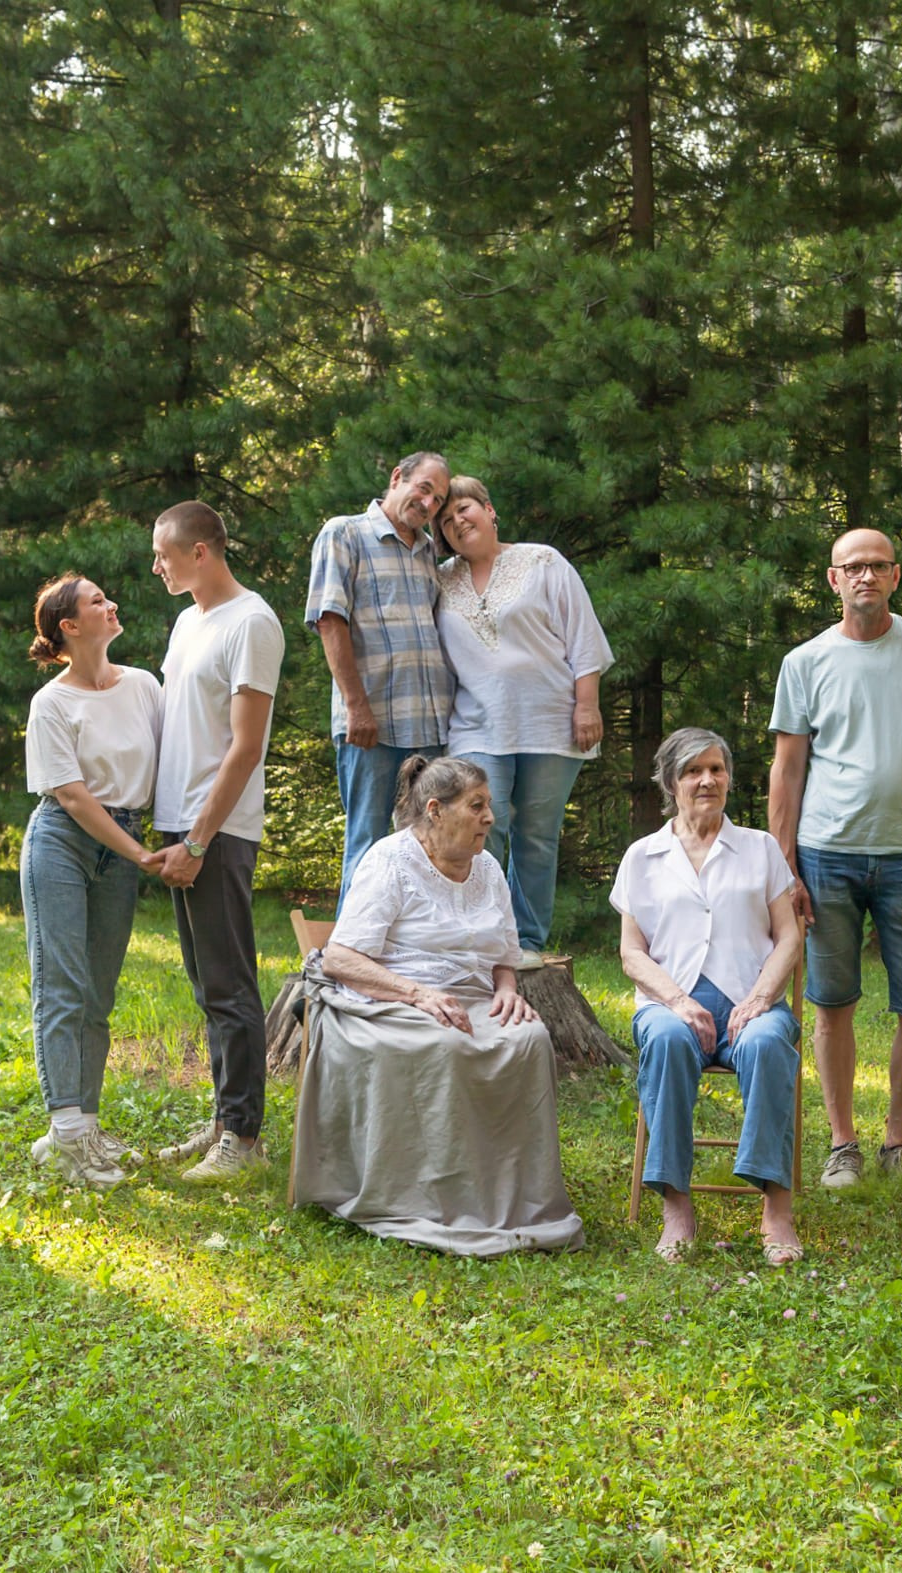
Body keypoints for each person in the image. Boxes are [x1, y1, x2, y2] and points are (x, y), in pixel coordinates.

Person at [295, 755, 585, 1255]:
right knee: (445, 1043)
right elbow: (341, 956)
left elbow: (502, 954)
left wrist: (508, 991)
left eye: (488, 805)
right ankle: (426, 1201)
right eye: (477, 806)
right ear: (435, 810)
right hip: (387, 995)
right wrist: (418, 995)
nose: (490, 818)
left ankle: (509, 1202)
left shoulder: (488, 867)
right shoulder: (390, 861)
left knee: (527, 1038)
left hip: (469, 997)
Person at [768, 528, 902, 1189]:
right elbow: (788, 770)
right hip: (826, 855)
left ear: (895, 575)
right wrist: (786, 866)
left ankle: (899, 1144)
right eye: (852, 567)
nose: (865, 577)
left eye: (877, 566)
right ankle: (842, 1145)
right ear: (833, 580)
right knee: (831, 1001)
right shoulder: (805, 661)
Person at [614, 728, 803, 1264]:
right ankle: (676, 1206)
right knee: (669, 1042)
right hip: (672, 1006)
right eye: (694, 771)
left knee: (769, 1046)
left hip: (751, 1002)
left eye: (717, 769)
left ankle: (777, 1209)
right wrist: (676, 1000)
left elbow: (789, 936)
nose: (707, 780)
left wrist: (762, 998)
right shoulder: (643, 856)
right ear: (670, 782)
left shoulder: (759, 848)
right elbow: (631, 954)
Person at [146, 502, 286, 1182]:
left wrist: (199, 840)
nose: (156, 565)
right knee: (207, 984)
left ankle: (245, 1138)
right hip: (181, 823)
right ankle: (222, 1120)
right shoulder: (186, 621)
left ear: (201, 551)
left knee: (231, 984)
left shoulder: (253, 622)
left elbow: (245, 747)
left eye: (163, 553)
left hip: (218, 829)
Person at [20, 573, 163, 1190]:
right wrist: (142, 854)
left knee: (98, 994)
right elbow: (74, 799)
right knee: (64, 987)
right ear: (69, 628)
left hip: (121, 845)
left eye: (108, 596)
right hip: (63, 843)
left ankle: (83, 1131)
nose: (111, 605)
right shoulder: (51, 702)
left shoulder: (143, 685)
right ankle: (68, 1137)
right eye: (97, 602)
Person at [432, 477, 613, 954]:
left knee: (536, 838)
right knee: (476, 832)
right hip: (475, 727)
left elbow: (583, 638)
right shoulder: (440, 579)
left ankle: (526, 942)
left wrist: (587, 703)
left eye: (465, 509)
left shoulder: (542, 561)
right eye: (447, 521)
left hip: (550, 724)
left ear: (490, 510)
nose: (458, 522)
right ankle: (477, 938)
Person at [305, 451, 454, 899]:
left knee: (428, 848)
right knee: (368, 846)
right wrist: (356, 706)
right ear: (397, 478)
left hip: (430, 728)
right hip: (373, 724)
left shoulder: (430, 553)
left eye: (438, 499)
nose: (428, 503)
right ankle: (350, 959)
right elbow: (330, 619)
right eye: (423, 488)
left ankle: (411, 955)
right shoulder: (345, 533)